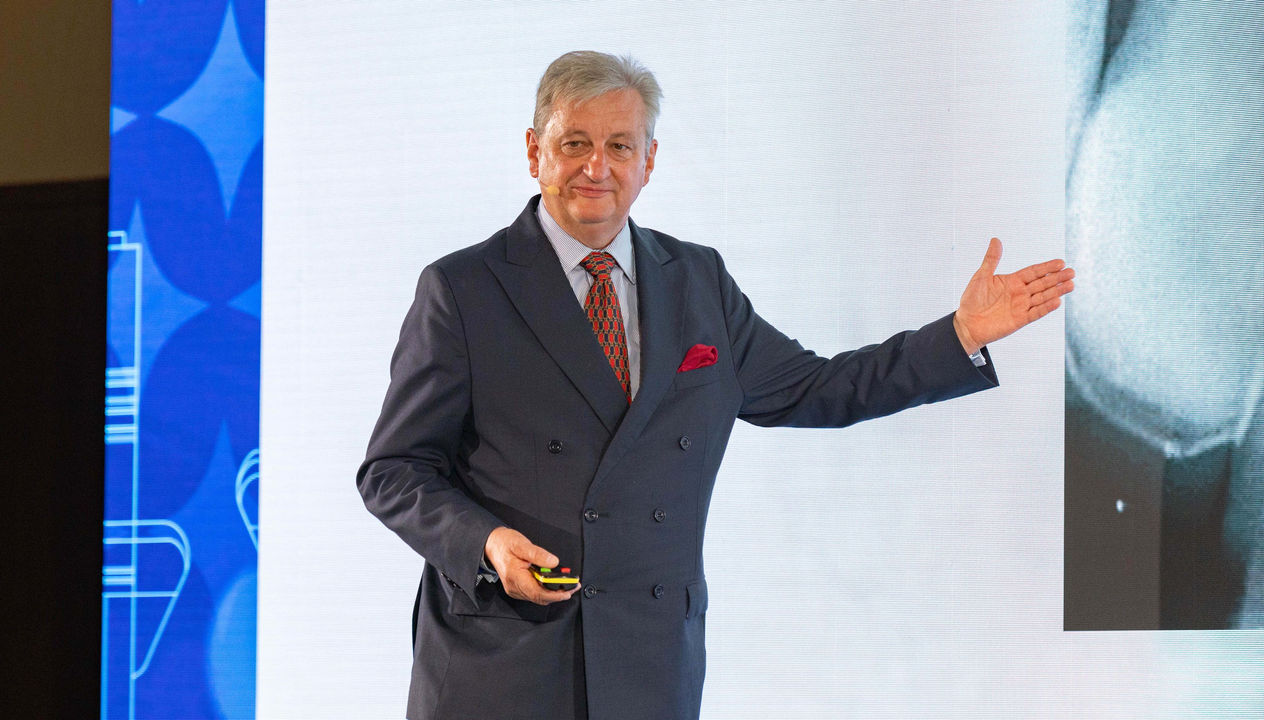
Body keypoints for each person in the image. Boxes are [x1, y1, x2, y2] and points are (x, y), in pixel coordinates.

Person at [358, 50, 1074, 720]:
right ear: (533, 151)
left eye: (620, 145)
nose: (596, 167)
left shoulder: (697, 281)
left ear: (649, 161)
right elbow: (394, 469)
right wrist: (485, 544)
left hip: (649, 659)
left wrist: (961, 334)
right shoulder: (464, 289)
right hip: (503, 661)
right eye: (574, 143)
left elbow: (818, 388)